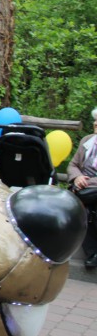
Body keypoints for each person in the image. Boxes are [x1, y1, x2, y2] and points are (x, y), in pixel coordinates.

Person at [67, 107, 97, 268]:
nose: (95, 124)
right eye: (95, 122)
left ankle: (94, 254)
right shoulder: (87, 141)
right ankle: (92, 253)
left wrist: (87, 182)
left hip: (89, 188)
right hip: (84, 190)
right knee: (84, 210)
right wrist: (77, 177)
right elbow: (73, 165)